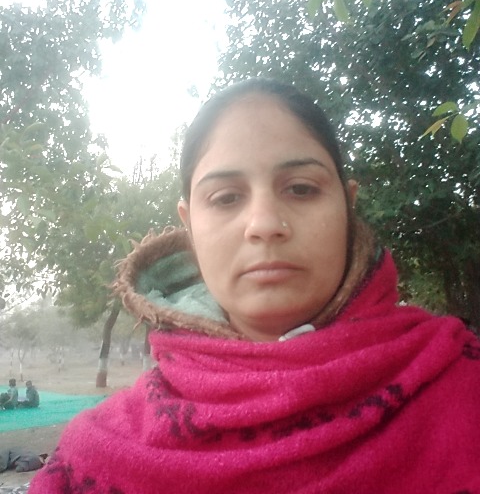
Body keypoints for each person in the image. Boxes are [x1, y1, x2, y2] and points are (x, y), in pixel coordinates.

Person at [29, 78, 480, 493]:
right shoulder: (94, 456)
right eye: (226, 197)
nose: (264, 224)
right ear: (190, 227)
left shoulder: (461, 383)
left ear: (348, 205)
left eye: (301, 189)